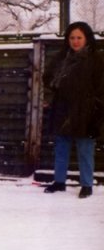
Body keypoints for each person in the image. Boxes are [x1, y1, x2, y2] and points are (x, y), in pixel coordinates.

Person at [43, 21, 104, 198]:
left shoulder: (96, 59)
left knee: (85, 150)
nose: (75, 41)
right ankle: (59, 181)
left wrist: (96, 111)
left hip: (86, 111)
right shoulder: (61, 58)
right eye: (72, 38)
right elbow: (48, 80)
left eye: (79, 38)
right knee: (61, 147)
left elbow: (101, 88)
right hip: (62, 109)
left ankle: (86, 185)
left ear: (87, 39)